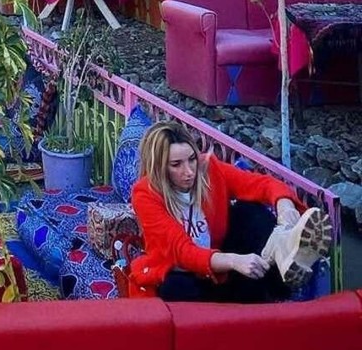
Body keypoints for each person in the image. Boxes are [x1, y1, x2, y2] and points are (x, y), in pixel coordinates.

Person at [129, 121, 329, 302]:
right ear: (159, 168)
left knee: (248, 212)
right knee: (175, 286)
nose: (189, 171)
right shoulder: (145, 194)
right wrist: (234, 261)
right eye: (176, 165)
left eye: (192, 159)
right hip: (182, 275)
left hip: (221, 271)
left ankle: (285, 251)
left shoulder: (208, 169)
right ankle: (280, 264)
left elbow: (261, 184)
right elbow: (182, 252)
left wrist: (285, 206)